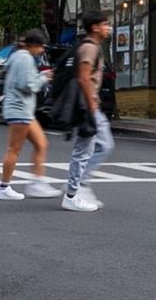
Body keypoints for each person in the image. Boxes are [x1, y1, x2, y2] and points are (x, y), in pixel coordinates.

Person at [0, 29, 60, 201]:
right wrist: (44, 77)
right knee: (14, 150)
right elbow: (28, 85)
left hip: (21, 109)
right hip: (19, 109)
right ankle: (4, 187)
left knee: (41, 144)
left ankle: (37, 183)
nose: (42, 51)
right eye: (41, 47)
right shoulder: (24, 58)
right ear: (34, 45)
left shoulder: (18, 56)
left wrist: (41, 75)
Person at [61, 11, 114, 212]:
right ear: (95, 27)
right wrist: (92, 105)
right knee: (84, 150)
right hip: (86, 105)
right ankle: (73, 193)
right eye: (105, 24)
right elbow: (84, 78)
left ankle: (78, 186)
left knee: (101, 146)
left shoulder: (92, 47)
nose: (108, 27)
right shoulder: (89, 49)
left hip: (89, 105)